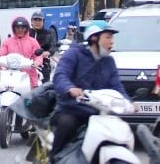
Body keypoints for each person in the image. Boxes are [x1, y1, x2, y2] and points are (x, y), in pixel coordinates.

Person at [50, 22, 130, 158]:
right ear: (94, 38)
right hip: (73, 110)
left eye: (112, 38)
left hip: (100, 113)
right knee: (66, 124)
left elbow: (117, 86)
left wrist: (128, 102)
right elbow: (60, 75)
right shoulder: (74, 54)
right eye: (108, 37)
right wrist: (70, 88)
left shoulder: (109, 61)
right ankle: (53, 158)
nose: (112, 42)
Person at [0, 16, 43, 87]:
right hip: (11, 76)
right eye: (17, 27)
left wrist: (37, 62)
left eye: (23, 28)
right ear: (14, 28)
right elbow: (1, 54)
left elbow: (38, 56)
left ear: (26, 28)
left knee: (31, 96)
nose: (20, 30)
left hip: (29, 76)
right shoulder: (7, 41)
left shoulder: (33, 42)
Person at [28, 11, 56, 82]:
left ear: (43, 22)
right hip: (27, 62)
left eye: (39, 20)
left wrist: (48, 52)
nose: (37, 22)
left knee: (45, 84)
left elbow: (53, 46)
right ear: (31, 21)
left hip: (43, 62)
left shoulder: (48, 33)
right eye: (35, 20)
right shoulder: (27, 33)